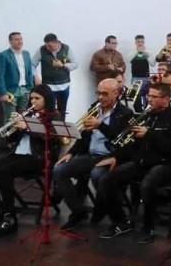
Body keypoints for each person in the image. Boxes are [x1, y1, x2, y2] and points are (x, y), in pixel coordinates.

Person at [97, 83, 171, 244]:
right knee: (106, 179)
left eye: (153, 96)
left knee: (146, 185)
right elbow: (132, 145)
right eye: (148, 96)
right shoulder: (147, 115)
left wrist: (148, 134)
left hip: (165, 164)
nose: (149, 99)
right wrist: (120, 152)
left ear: (165, 99)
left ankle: (148, 228)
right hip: (142, 162)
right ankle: (120, 222)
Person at [0, 84, 61, 239]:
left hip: (37, 158)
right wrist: (14, 127)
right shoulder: (27, 115)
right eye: (32, 98)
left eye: (37, 98)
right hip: (17, 154)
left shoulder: (54, 116)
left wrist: (27, 127)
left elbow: (53, 139)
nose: (33, 101)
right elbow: (10, 139)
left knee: (4, 171)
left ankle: (10, 218)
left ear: (46, 99)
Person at [52, 78, 133, 230]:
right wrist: (71, 152)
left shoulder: (126, 113)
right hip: (91, 155)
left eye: (105, 94)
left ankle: (104, 211)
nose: (100, 97)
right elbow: (84, 135)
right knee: (59, 170)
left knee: (97, 175)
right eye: (98, 93)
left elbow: (121, 140)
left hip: (111, 157)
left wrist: (101, 125)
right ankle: (78, 212)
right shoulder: (94, 108)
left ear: (116, 93)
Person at [32, 33, 77, 120]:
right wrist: (36, 76)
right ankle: (48, 129)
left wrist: (63, 65)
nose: (48, 48)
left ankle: (61, 130)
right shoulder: (42, 50)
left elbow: (75, 64)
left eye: (50, 46)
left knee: (62, 111)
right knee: (48, 111)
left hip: (64, 85)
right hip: (48, 86)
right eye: (46, 46)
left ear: (56, 42)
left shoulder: (66, 49)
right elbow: (32, 64)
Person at [0, 32, 34, 122]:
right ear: (10, 41)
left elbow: (29, 72)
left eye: (20, 39)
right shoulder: (3, 55)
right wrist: (3, 93)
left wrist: (31, 88)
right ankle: (8, 136)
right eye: (16, 39)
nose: (19, 41)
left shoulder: (26, 54)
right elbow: (0, 76)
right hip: (11, 91)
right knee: (10, 118)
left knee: (24, 117)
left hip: (25, 90)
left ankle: (21, 136)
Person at [128, 35, 155, 108]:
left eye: (142, 42)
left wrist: (147, 56)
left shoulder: (148, 52)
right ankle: (137, 111)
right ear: (135, 43)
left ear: (144, 42)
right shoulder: (132, 52)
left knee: (146, 96)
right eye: (138, 42)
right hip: (135, 78)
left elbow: (153, 64)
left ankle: (146, 109)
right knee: (134, 96)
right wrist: (137, 52)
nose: (140, 43)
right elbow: (127, 60)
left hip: (146, 78)